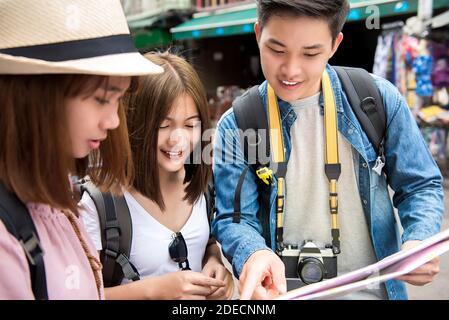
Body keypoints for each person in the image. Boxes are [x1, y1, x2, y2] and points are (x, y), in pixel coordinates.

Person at [212, 0, 444, 300]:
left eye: (310, 53)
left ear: (335, 44)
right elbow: (235, 217)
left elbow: (420, 183)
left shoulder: (376, 100)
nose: (291, 69)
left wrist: (419, 241)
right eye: (276, 50)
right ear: (258, 34)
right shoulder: (237, 124)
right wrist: (253, 254)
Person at [0, 0, 163, 299]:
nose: (114, 121)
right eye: (102, 99)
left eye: (119, 101)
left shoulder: (52, 192)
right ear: (36, 96)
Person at [81, 52, 234, 300]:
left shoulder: (204, 186)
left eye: (190, 125)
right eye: (163, 125)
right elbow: (80, 294)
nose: (178, 139)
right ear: (134, 123)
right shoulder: (100, 206)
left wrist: (215, 263)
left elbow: (205, 242)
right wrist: (153, 292)